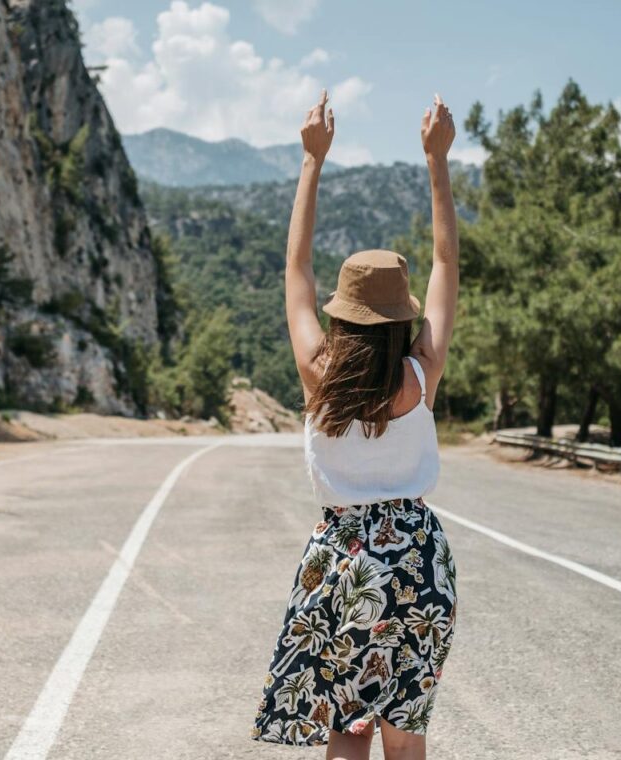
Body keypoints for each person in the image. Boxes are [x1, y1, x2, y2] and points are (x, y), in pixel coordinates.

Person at [251, 89, 460, 760]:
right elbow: (448, 265)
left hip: (348, 559)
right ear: (403, 318)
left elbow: (296, 268)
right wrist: (437, 161)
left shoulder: (320, 371)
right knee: (407, 730)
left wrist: (312, 160)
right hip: (420, 560)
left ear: (344, 315)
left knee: (348, 728)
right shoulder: (420, 371)